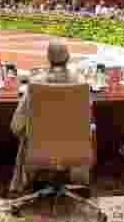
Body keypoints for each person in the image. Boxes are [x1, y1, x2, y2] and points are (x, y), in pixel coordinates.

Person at [9, 40, 86, 193]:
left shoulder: (35, 83)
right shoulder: (80, 81)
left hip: (38, 151)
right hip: (73, 150)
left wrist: (24, 133)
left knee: (24, 134)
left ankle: (19, 187)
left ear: (48, 58)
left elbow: (16, 125)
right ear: (68, 58)